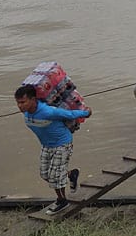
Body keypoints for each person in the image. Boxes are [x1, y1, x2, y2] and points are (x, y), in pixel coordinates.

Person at [15, 84, 93, 215]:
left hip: (62, 144)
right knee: (45, 174)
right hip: (47, 146)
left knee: (55, 177)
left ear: (33, 99)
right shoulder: (28, 114)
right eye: (18, 103)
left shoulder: (48, 111)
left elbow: (69, 114)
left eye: (23, 102)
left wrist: (86, 113)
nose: (20, 106)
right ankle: (71, 175)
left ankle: (62, 201)